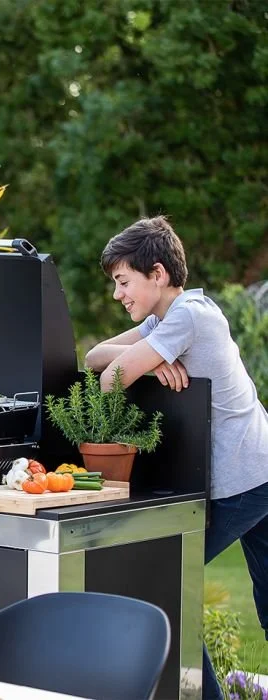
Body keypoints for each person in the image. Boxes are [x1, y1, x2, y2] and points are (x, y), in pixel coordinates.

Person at [85, 215, 268, 699]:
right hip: (258, 469)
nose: (117, 294)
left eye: (123, 281)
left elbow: (111, 378)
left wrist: (144, 361)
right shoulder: (165, 320)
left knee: (162, 579)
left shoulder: (190, 315)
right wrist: (157, 358)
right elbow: (94, 356)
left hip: (245, 480)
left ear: (158, 274)